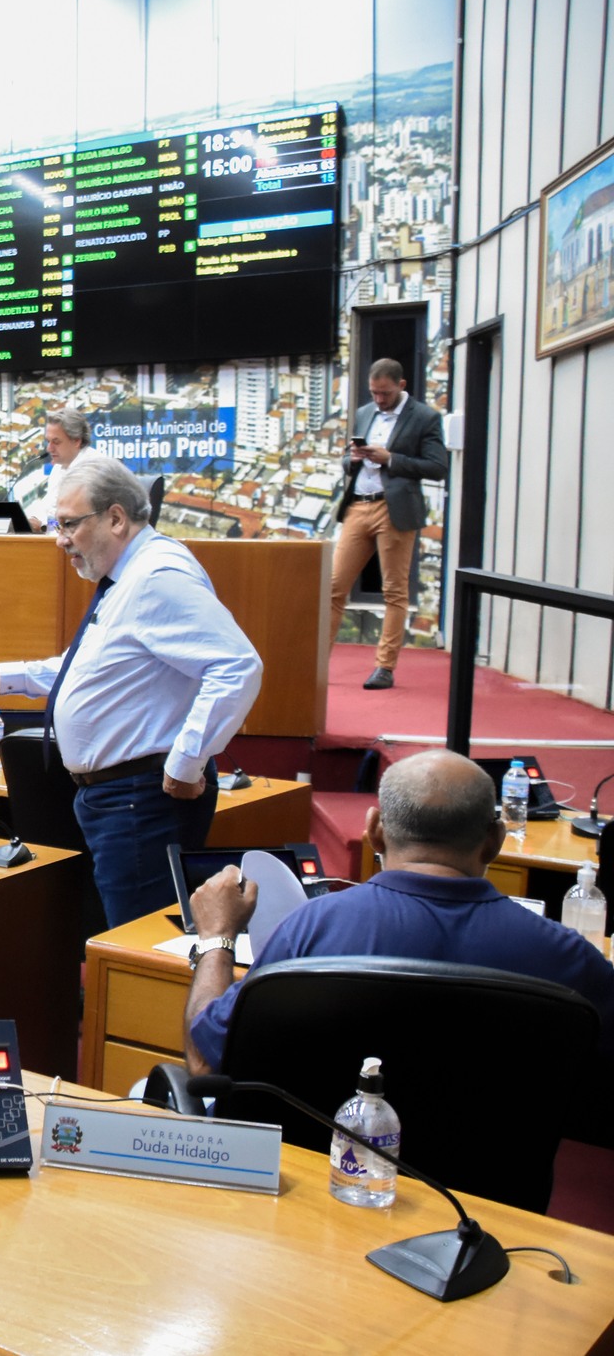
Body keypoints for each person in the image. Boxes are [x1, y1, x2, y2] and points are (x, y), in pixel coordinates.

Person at [0, 453, 263, 930]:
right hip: (119, 797)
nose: (60, 540)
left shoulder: (157, 578)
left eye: (70, 524)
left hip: (141, 799)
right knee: (121, 938)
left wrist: (186, 762)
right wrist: (5, 676)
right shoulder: (128, 576)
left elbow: (237, 665)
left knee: (138, 945)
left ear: (116, 517)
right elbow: (98, 671)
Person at [183, 750, 614, 1075]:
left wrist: (216, 937)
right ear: (495, 840)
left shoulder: (310, 931)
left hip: (322, 1174)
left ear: (374, 831)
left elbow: (204, 1061)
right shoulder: (568, 958)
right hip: (491, 1190)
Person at [327, 358, 448, 691]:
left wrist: (391, 459)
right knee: (334, 587)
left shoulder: (425, 417)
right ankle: (318, 661)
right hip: (358, 507)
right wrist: (349, 459)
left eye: (385, 393)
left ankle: (385, 666)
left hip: (394, 509)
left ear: (401, 385)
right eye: (374, 393)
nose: (379, 399)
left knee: (394, 590)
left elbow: (438, 467)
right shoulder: (365, 413)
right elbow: (345, 458)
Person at [25, 407, 91, 532]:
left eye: (56, 442)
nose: (49, 448)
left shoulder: (93, 469)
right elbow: (48, 509)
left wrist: (43, 526)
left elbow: (76, 524)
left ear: (76, 441)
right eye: (48, 441)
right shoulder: (58, 467)